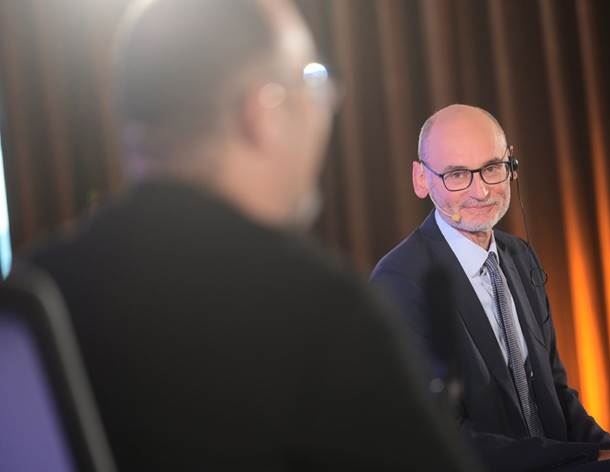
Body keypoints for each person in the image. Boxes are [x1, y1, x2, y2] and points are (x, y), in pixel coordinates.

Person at [28, 2, 479, 470]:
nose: (323, 108)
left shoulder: (37, 290)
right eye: (311, 82)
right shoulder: (321, 313)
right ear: (263, 112)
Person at [370, 104, 610, 471]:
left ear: (511, 165)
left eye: (491, 168)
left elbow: (557, 393)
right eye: (457, 174)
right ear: (421, 179)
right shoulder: (400, 280)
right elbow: (440, 437)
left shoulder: (520, 256)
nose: (481, 190)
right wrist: (587, 456)